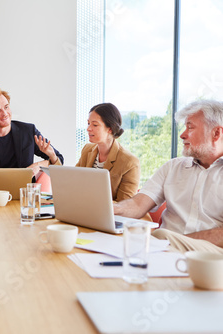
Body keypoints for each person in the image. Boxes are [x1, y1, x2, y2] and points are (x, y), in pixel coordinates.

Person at [114, 99, 223, 254]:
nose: (182, 134)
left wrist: (178, 240)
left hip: (209, 256)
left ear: (216, 133)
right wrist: (114, 209)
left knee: (159, 236)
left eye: (190, 127)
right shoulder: (172, 167)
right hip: (162, 247)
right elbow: (138, 205)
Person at [0, 86, 64, 177]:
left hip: (24, 191)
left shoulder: (28, 132)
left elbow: (59, 160)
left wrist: (39, 165)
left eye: (6, 107)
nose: (5, 114)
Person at [76, 103, 140, 202]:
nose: (88, 128)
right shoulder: (87, 150)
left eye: (95, 124)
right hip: (86, 212)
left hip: (115, 216)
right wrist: (53, 157)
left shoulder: (129, 162)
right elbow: (73, 182)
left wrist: (90, 202)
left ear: (110, 128)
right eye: (88, 123)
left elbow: (124, 204)